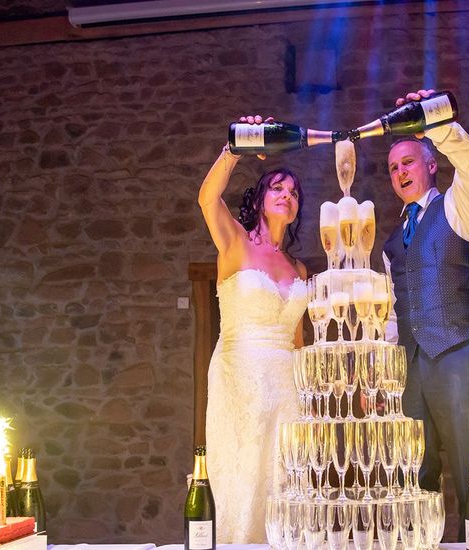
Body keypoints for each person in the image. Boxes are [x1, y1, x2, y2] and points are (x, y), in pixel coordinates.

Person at [381, 89, 469, 540]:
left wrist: (435, 122)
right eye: (393, 168)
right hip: (411, 366)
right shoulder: (392, 243)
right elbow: (395, 313)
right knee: (413, 476)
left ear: (431, 164)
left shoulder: (458, 206)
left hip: (459, 354)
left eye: (408, 162)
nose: (400, 173)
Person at [198, 115, 307, 543]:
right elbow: (207, 199)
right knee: (243, 478)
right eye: (278, 187)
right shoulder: (235, 243)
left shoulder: (299, 268)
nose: (287, 195)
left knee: (285, 477)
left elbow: (298, 342)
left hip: (287, 386)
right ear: (260, 197)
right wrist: (235, 149)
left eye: (294, 192)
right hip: (238, 377)